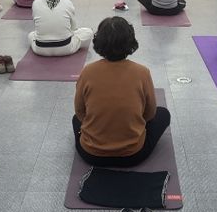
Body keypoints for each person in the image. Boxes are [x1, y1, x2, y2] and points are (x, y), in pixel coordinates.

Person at [73, 17, 171, 167]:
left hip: (91, 155)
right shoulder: (142, 72)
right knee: (163, 114)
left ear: (99, 42)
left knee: (75, 120)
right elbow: (150, 113)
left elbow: (80, 111)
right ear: (130, 42)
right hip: (133, 155)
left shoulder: (87, 72)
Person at [29, 0, 93, 56]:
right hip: (66, 48)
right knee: (88, 32)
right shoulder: (67, 3)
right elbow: (74, 27)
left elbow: (36, 25)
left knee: (31, 34)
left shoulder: (36, 3)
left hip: (40, 49)